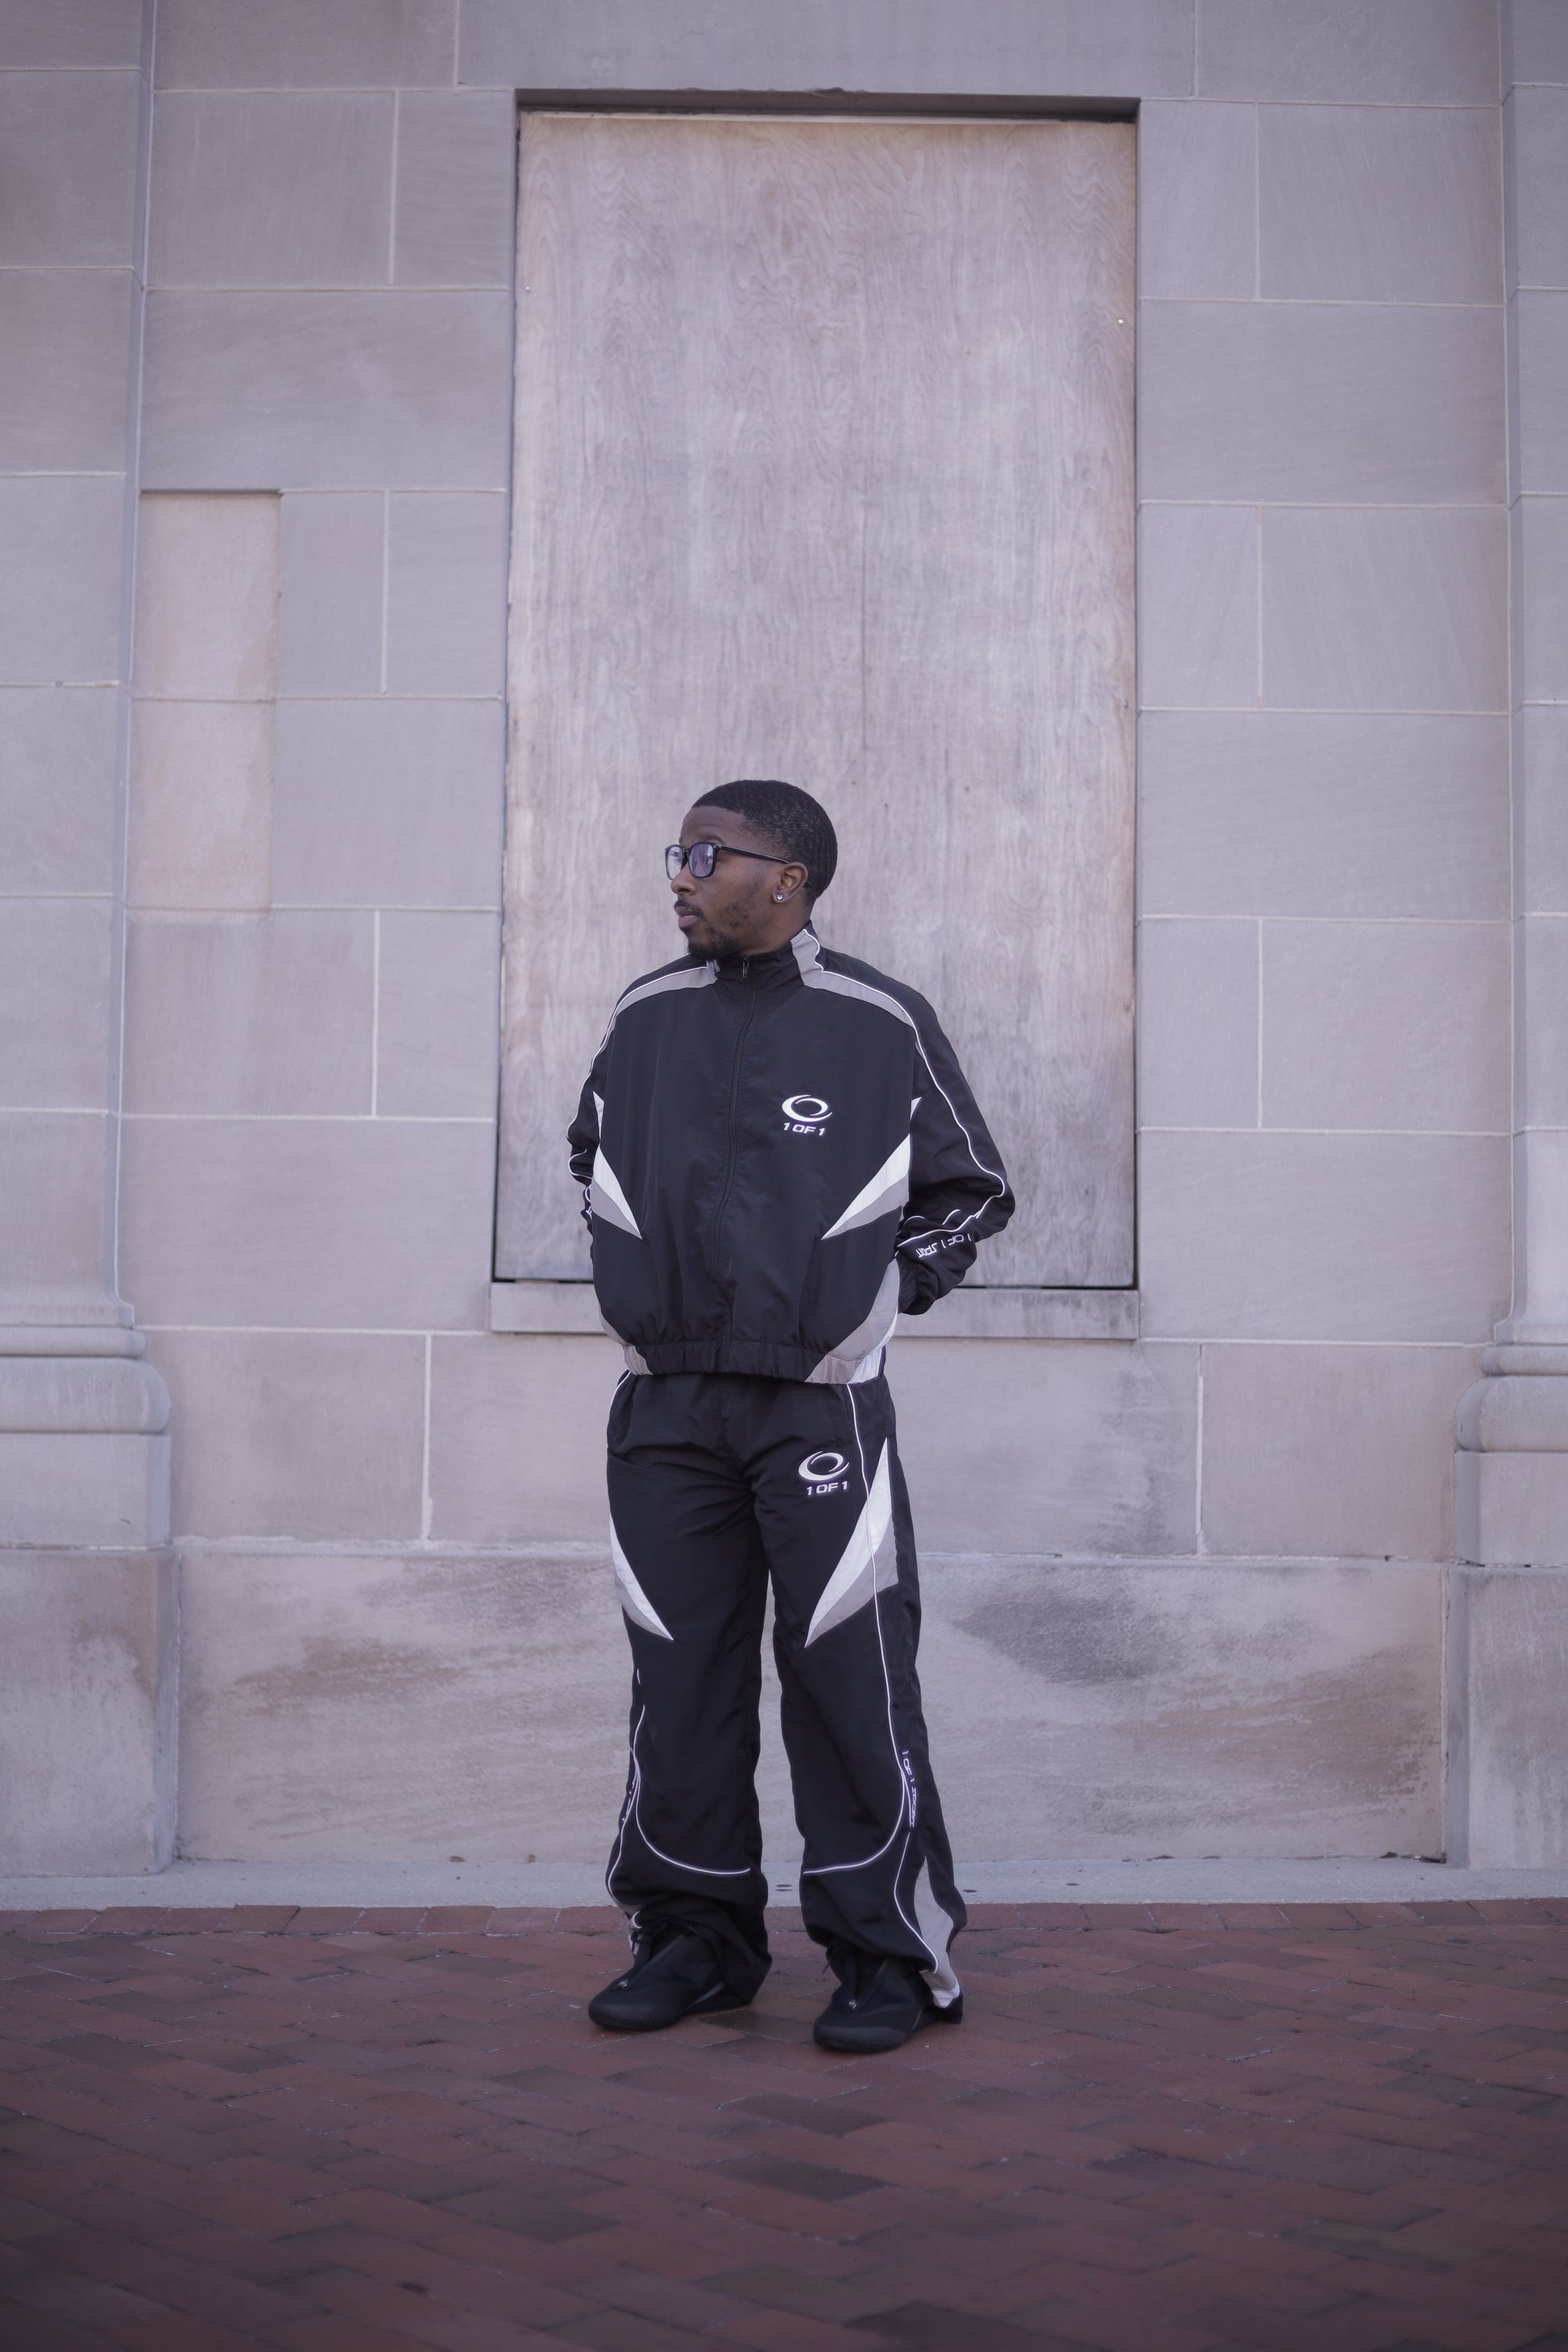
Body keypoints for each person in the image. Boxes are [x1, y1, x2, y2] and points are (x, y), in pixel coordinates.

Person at [569, 779, 1014, 2053]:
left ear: (787, 876)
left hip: (819, 1410)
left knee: (848, 1680)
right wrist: (633, 1276)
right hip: (665, 1404)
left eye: (705, 855)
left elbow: (972, 1191)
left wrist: (871, 1298)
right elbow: (589, 1151)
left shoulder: (877, 1020)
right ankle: (694, 1941)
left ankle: (886, 1953)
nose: (680, 874)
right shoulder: (645, 1015)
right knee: (678, 1680)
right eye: (678, 852)